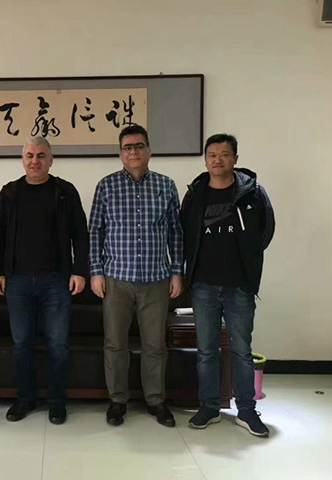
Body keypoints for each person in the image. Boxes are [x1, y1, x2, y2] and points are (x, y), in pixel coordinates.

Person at [89, 124, 183, 427]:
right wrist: (95, 272)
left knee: (155, 345)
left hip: (156, 278)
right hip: (116, 278)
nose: (133, 152)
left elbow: (176, 232)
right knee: (115, 344)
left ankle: (156, 400)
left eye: (138, 146)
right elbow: (95, 232)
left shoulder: (166, 186)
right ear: (120, 153)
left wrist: (176, 271)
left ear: (149, 150)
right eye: (127, 147)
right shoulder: (106, 186)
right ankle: (117, 400)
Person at [181, 133, 275, 437]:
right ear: (205, 160)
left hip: (239, 286)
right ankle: (209, 406)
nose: (217, 160)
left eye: (224, 154)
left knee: (241, 350)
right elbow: (184, 233)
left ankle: (246, 410)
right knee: (206, 350)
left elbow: (266, 231)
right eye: (212, 155)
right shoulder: (195, 195)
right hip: (203, 286)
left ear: (235, 158)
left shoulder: (252, 193)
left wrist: (249, 263)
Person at [0, 136, 89, 425]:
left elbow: (80, 233)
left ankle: (57, 401)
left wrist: (80, 271)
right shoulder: (9, 192)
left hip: (56, 280)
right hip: (17, 281)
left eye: (41, 155)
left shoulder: (64, 191)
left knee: (58, 343)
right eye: (30, 155)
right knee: (22, 343)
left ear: (51, 160)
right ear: (22, 160)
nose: (35, 161)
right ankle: (25, 399)